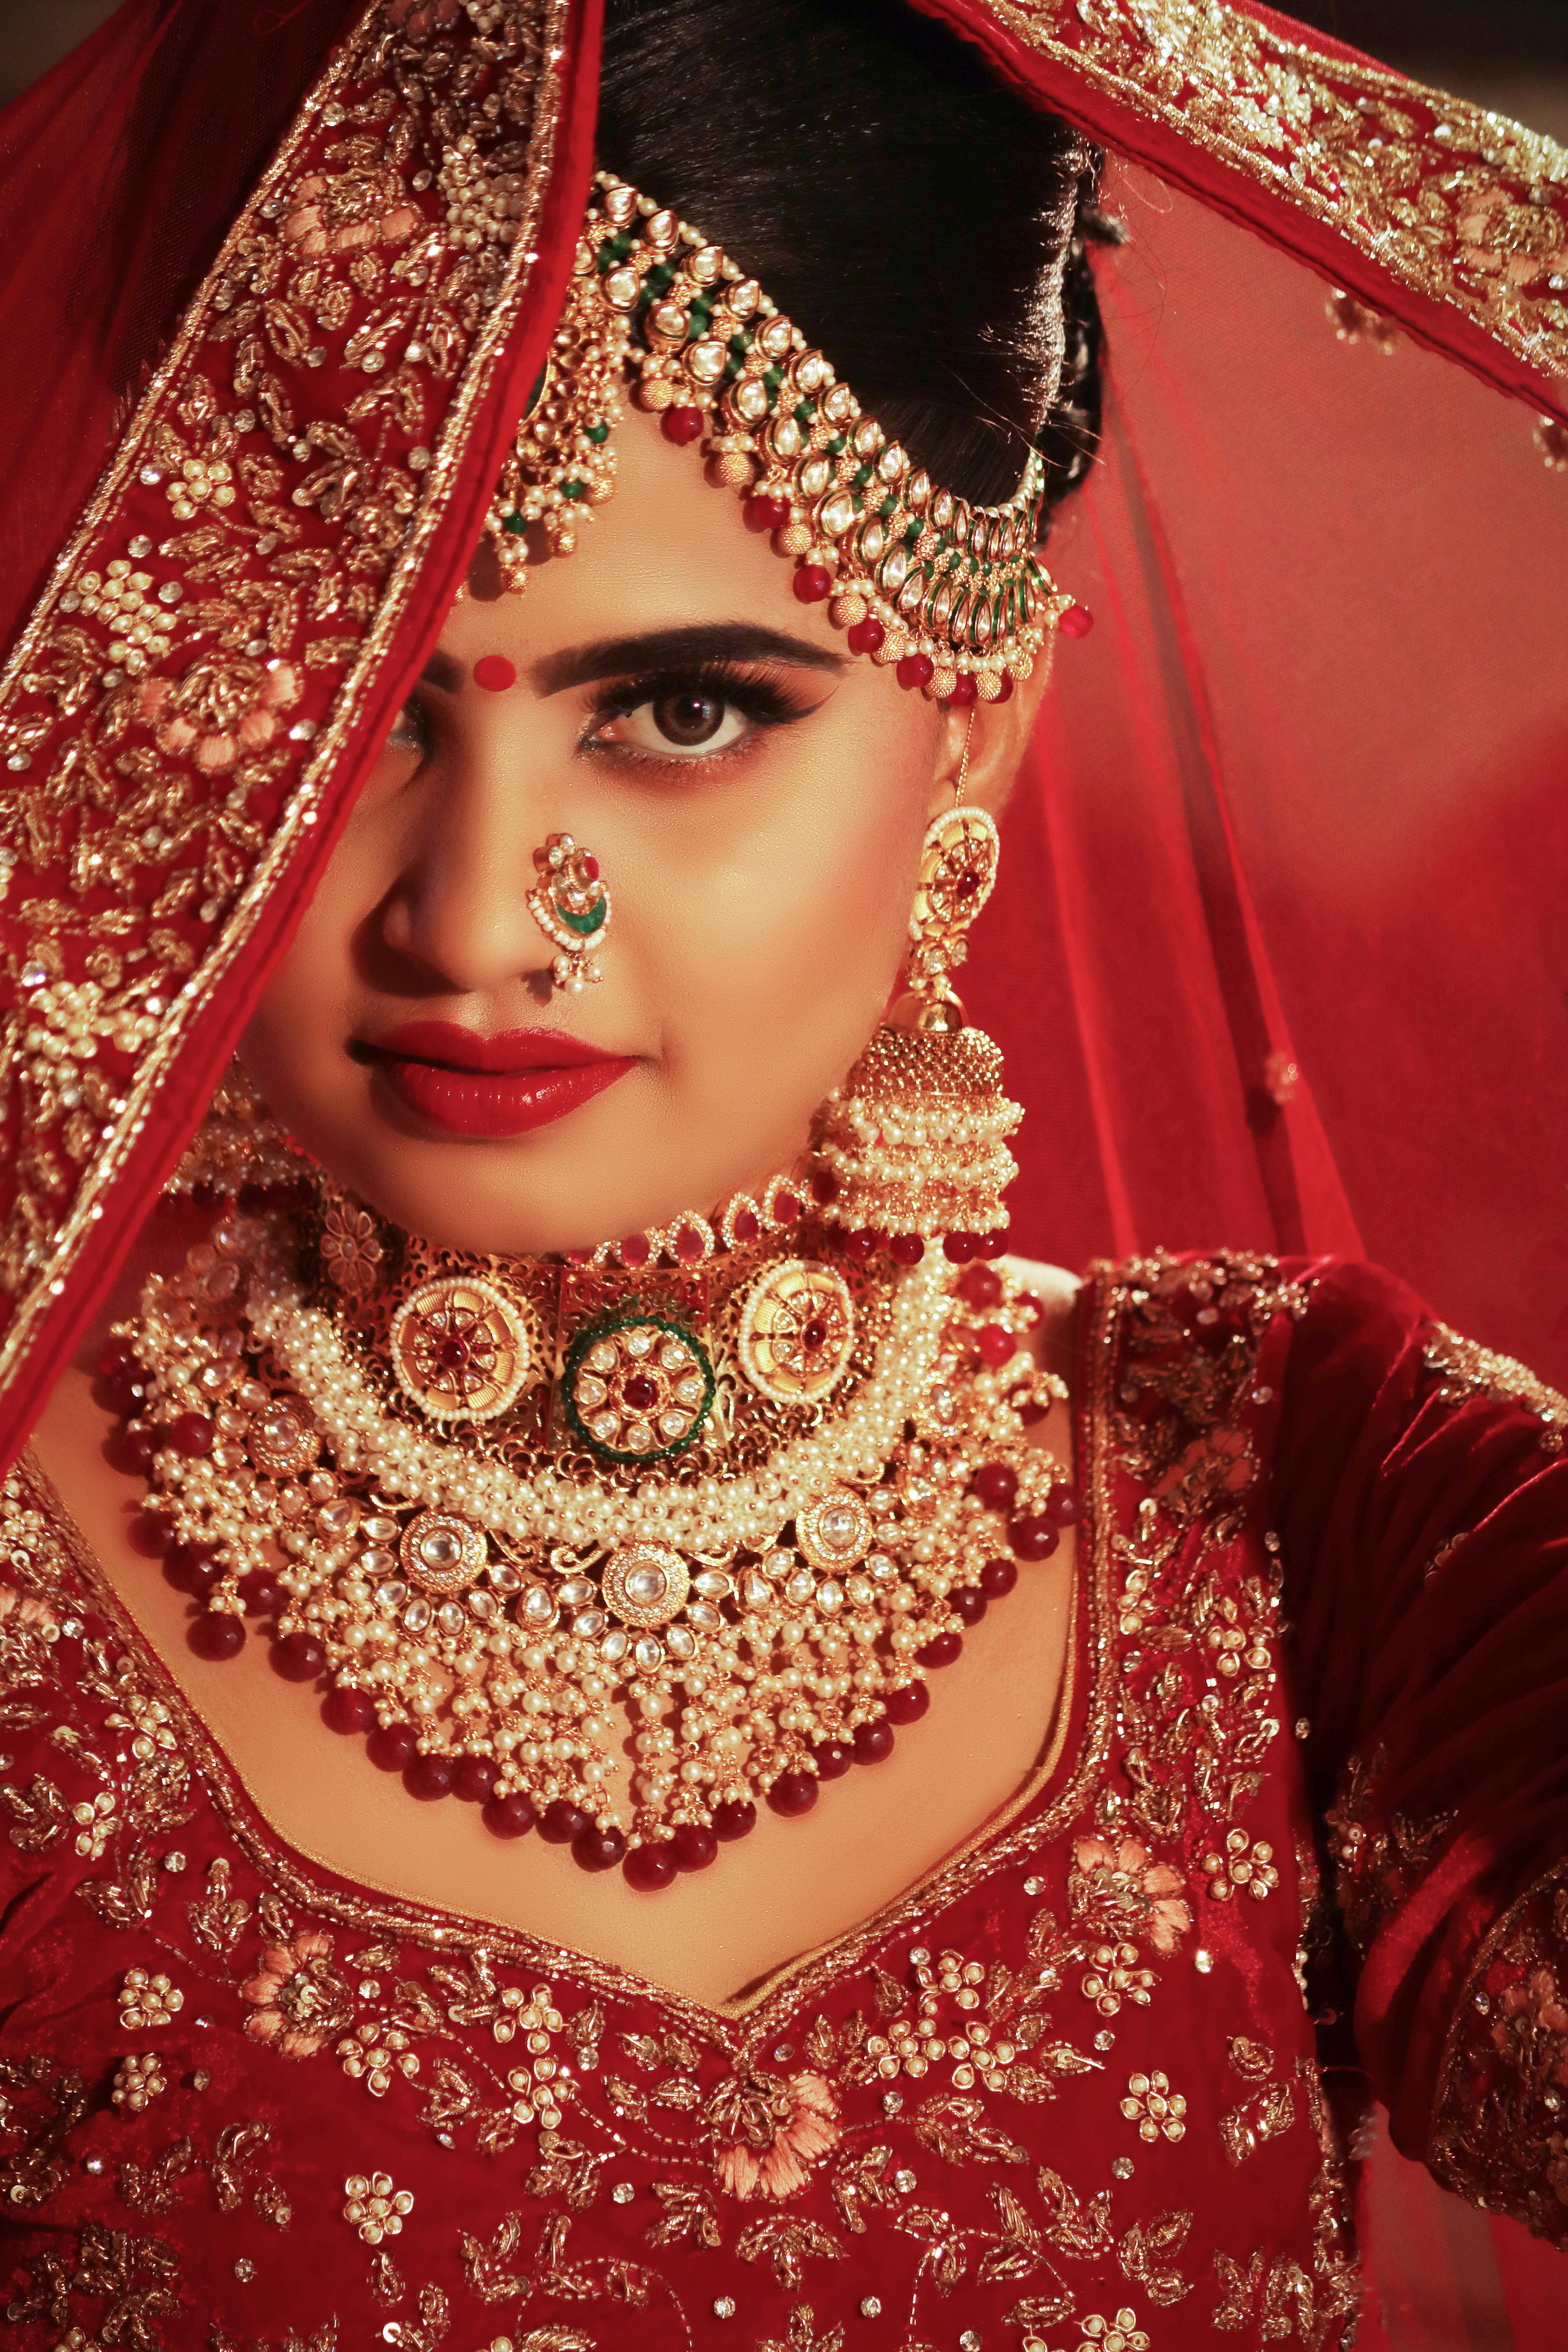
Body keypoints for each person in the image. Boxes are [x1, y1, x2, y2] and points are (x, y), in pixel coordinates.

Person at [0, 2, 1565, 2346]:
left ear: (981, 721)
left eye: (684, 711)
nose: (475, 916)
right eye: (367, 703)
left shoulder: (1291, 1503)